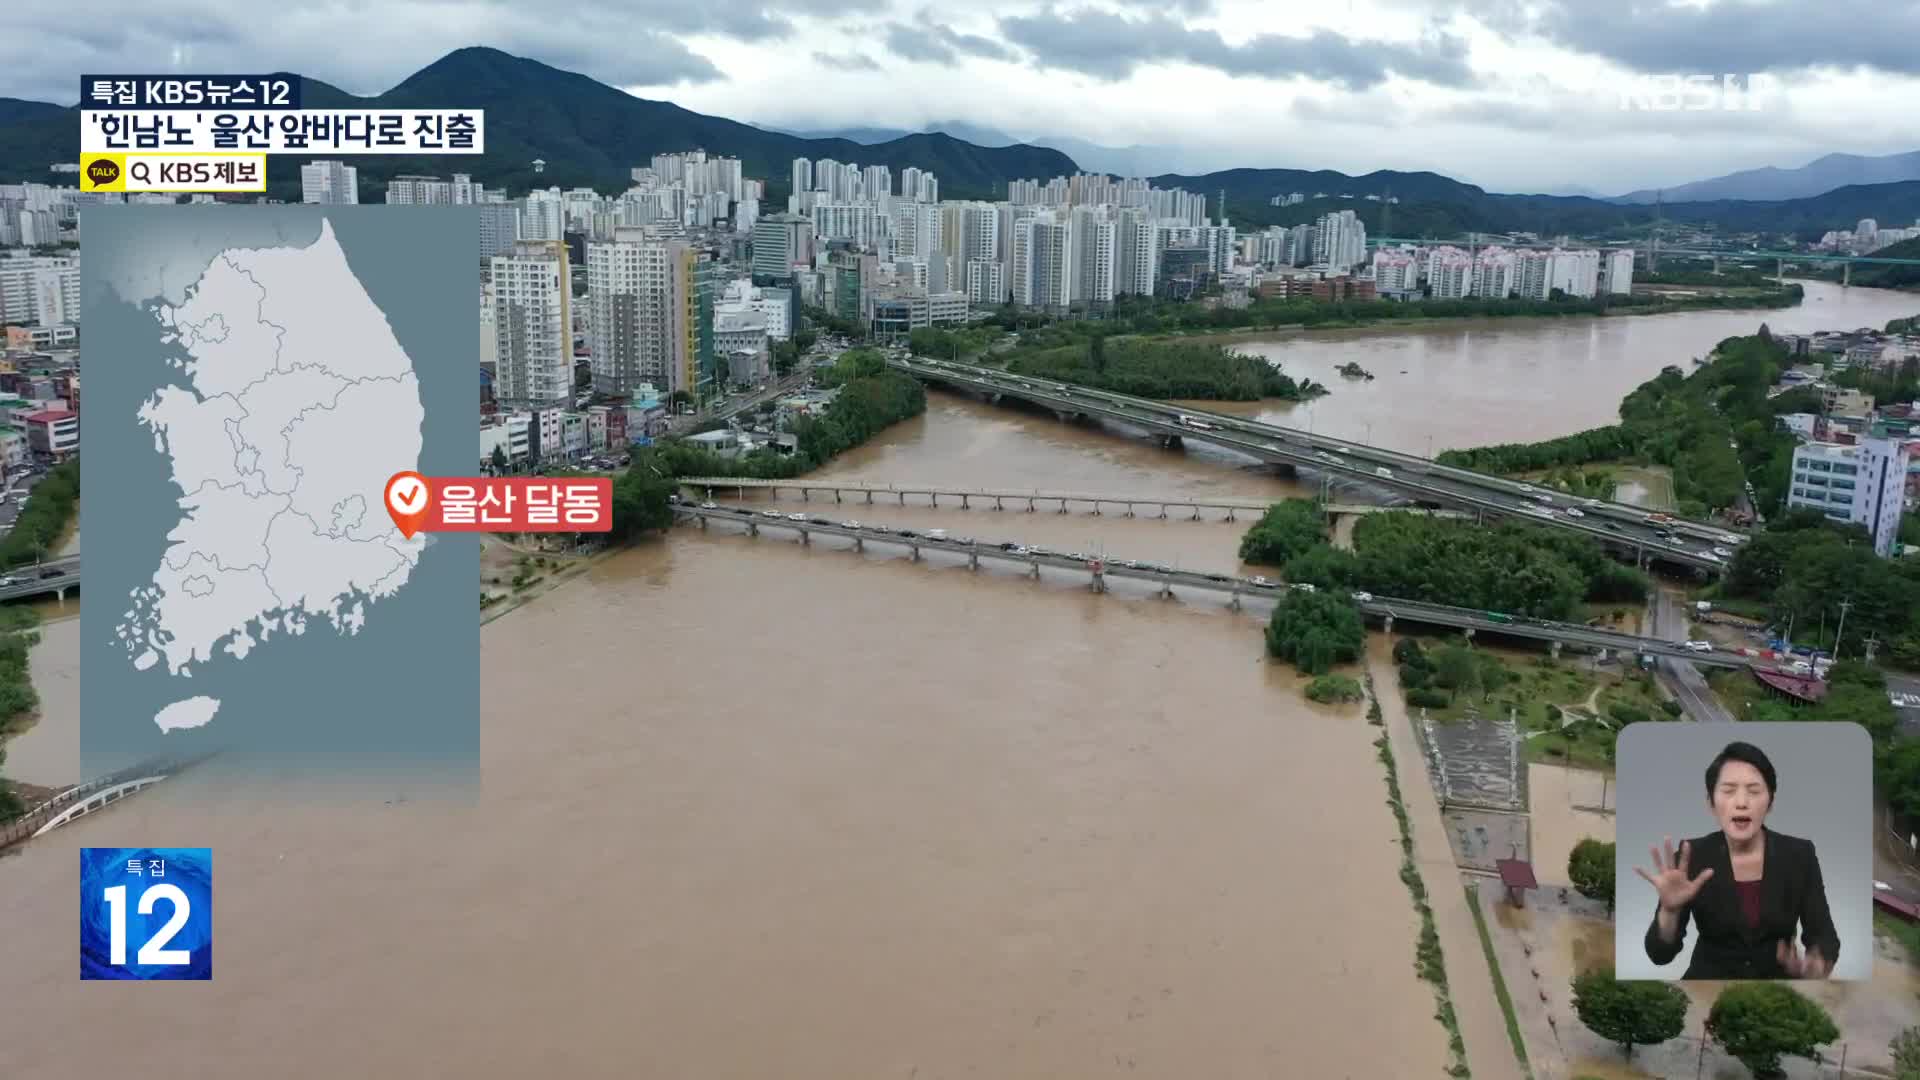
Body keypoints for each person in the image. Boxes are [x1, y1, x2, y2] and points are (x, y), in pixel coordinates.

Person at [1636, 740, 1838, 979]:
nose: (1742, 802)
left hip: (1777, 989)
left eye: (1754, 791)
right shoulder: (1692, 857)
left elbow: (1824, 936)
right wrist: (1669, 911)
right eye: (1729, 791)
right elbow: (1660, 955)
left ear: (1770, 801)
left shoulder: (1799, 855)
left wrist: (1816, 963)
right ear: (1711, 803)